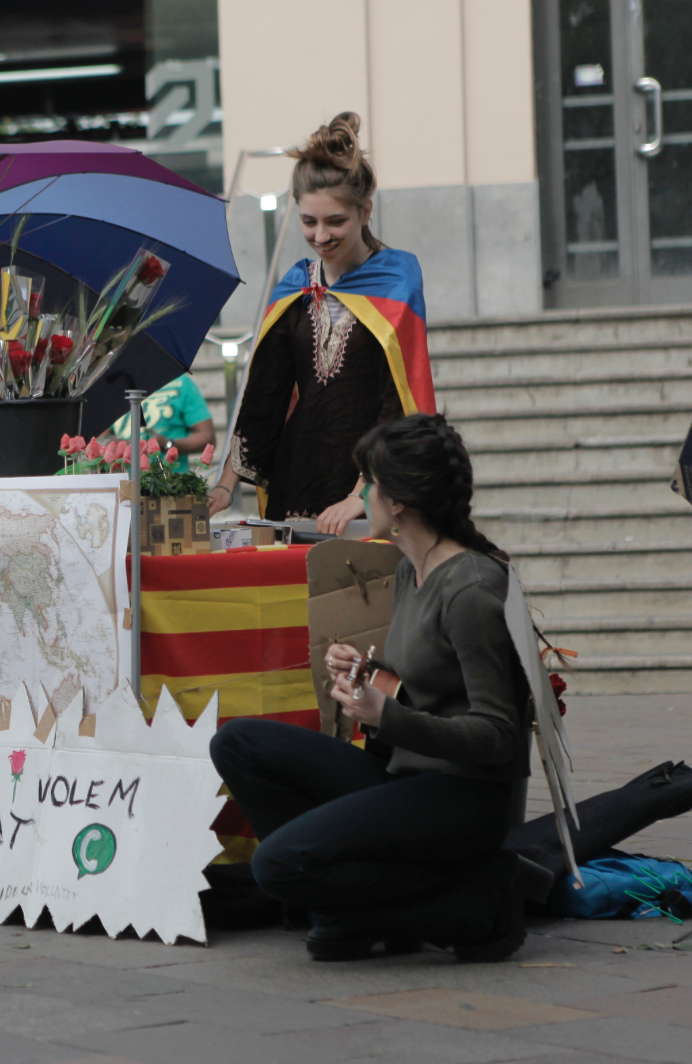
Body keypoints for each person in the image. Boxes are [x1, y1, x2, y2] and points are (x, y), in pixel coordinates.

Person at [209, 413, 533, 964]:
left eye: (369, 482)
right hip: (407, 771)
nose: (362, 493)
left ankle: (471, 904)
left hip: (465, 798)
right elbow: (427, 684)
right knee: (236, 744)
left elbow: (500, 737)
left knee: (277, 866)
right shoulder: (412, 568)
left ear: (399, 501)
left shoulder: (473, 587)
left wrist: (387, 716)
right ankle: (344, 908)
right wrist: (367, 673)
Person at [208, 113, 434, 532]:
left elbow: (397, 402)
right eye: (308, 221)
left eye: (335, 222)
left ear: (365, 211)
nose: (321, 236)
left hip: (368, 493)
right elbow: (265, 396)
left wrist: (362, 494)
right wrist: (225, 485)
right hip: (296, 481)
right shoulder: (294, 286)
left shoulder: (397, 280)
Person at [107, 372, 215, 472]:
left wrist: (168, 444)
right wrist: (115, 444)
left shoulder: (181, 383)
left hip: (171, 485)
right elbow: (99, 438)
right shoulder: (114, 386)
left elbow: (207, 437)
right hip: (124, 484)